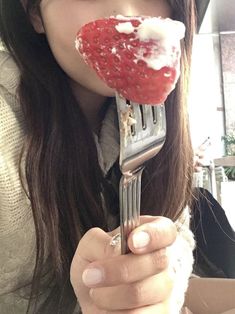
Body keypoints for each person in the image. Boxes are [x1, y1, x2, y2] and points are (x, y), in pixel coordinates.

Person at [0, 0, 197, 313]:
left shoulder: (152, 135)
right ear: (34, 13)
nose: (125, 12)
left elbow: (178, 242)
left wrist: (160, 286)